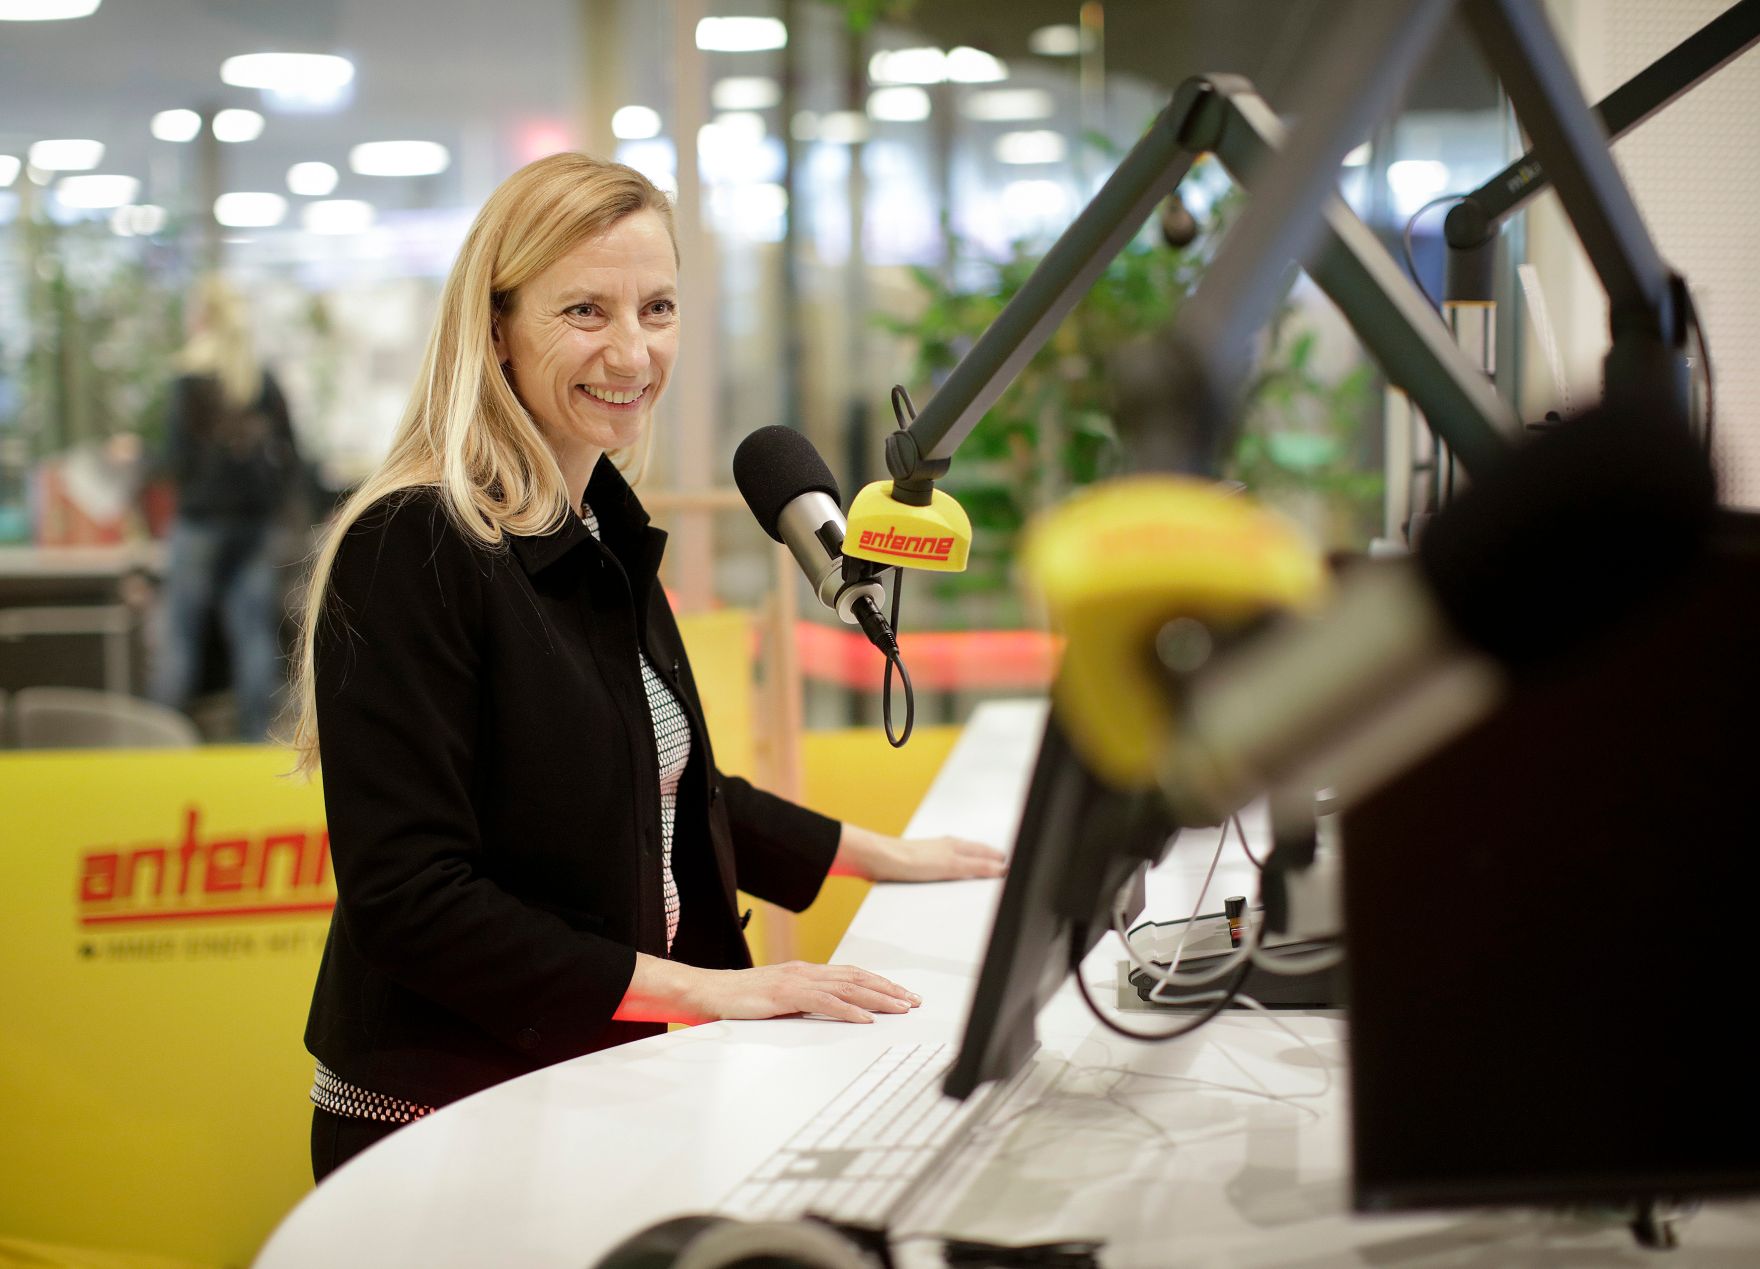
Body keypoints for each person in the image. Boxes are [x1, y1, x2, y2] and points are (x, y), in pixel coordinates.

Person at [290, 153, 1007, 1183]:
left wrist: (887, 856)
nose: (631, 350)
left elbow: (669, 793)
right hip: (442, 1120)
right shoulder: (417, 542)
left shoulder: (599, 527)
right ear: (494, 328)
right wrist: (708, 990)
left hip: (581, 1089)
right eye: (584, 310)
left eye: (657, 308)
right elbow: (410, 900)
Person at [151, 274, 303, 740]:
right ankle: (254, 745)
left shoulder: (189, 379)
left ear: (201, 317)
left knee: (181, 636)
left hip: (201, 523)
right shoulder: (259, 378)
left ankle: (161, 740)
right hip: (253, 525)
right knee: (253, 636)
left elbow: (175, 457)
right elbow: (293, 453)